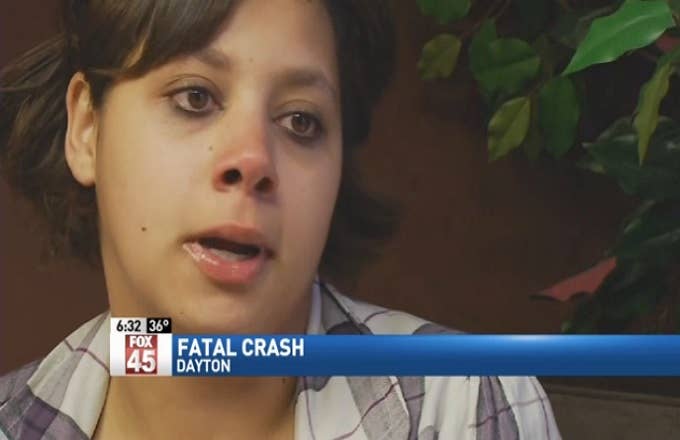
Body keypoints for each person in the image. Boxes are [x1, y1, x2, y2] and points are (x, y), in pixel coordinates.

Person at [0, 0, 561, 438]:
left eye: (300, 121)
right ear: (86, 128)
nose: (252, 161)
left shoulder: (463, 403)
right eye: (194, 97)